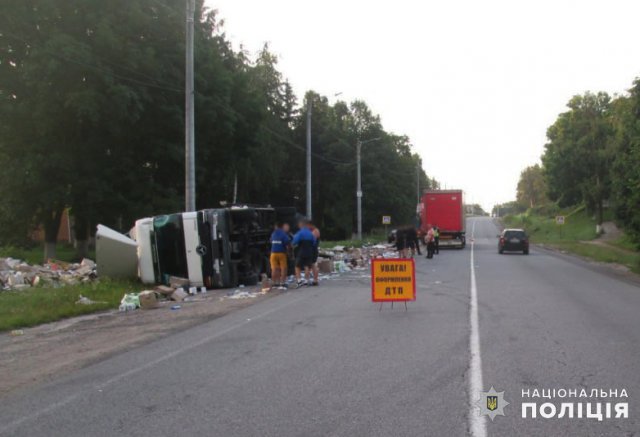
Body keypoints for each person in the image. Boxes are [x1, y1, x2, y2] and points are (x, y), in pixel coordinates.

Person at [292, 219, 316, 287]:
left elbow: (294, 242)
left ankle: (299, 280)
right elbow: (314, 243)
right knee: (307, 266)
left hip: (301, 252)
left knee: (297, 266)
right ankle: (306, 280)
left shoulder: (300, 233)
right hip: (309, 252)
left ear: (301, 225)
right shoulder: (311, 233)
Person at [269, 222, 290, 290]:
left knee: (274, 269)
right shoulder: (283, 234)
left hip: (273, 254)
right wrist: (289, 252)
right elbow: (287, 243)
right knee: (283, 268)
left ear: (276, 227)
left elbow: (271, 241)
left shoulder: (273, 234)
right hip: (281, 253)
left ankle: (275, 282)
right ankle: (282, 283)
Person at [308, 222, 321, 286]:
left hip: (313, 250)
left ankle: (315, 280)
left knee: (313, 265)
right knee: (311, 265)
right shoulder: (311, 231)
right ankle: (312, 280)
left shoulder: (315, 231)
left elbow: (312, 240)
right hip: (311, 250)